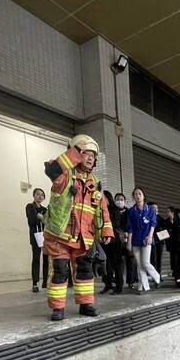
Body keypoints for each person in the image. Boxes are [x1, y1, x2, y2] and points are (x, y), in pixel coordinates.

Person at [43, 134, 113, 321]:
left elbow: (102, 208)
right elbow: (52, 171)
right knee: (60, 271)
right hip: (60, 236)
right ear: (76, 153)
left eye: (93, 155)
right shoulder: (65, 176)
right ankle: (58, 308)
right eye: (86, 153)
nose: (90, 158)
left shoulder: (95, 182)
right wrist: (74, 153)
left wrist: (106, 230)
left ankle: (86, 304)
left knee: (85, 271)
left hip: (84, 237)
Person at [125, 187, 161, 293]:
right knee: (139, 264)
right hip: (135, 240)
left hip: (146, 239)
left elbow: (153, 224)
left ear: (143, 196)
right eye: (135, 194)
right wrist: (129, 242)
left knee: (145, 262)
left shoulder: (150, 209)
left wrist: (150, 236)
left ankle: (157, 277)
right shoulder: (131, 211)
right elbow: (130, 227)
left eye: (139, 194)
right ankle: (144, 286)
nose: (137, 196)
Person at [101, 191, 127, 295]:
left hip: (115, 240)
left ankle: (119, 286)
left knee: (117, 263)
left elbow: (117, 225)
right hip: (104, 240)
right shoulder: (101, 210)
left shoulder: (115, 210)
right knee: (107, 264)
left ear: (108, 198)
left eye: (103, 198)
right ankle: (108, 284)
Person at [25, 188, 49, 293]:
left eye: (42, 195)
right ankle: (35, 283)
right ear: (34, 195)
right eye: (38, 194)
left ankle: (45, 282)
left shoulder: (45, 209)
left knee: (46, 259)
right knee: (36, 259)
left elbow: (48, 222)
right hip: (36, 236)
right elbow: (32, 221)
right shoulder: (30, 207)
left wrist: (41, 217)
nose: (40, 196)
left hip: (45, 236)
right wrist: (41, 218)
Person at [162, 206, 180, 284]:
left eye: (168, 211)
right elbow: (165, 232)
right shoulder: (166, 221)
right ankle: (176, 277)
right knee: (174, 262)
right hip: (172, 245)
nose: (167, 213)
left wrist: (171, 231)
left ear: (172, 212)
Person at [149, 202, 165, 275]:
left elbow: (165, 230)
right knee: (153, 259)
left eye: (156, 208)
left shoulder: (161, 219)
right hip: (152, 241)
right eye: (153, 208)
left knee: (159, 258)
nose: (155, 209)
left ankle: (159, 274)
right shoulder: (147, 218)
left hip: (160, 241)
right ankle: (154, 275)